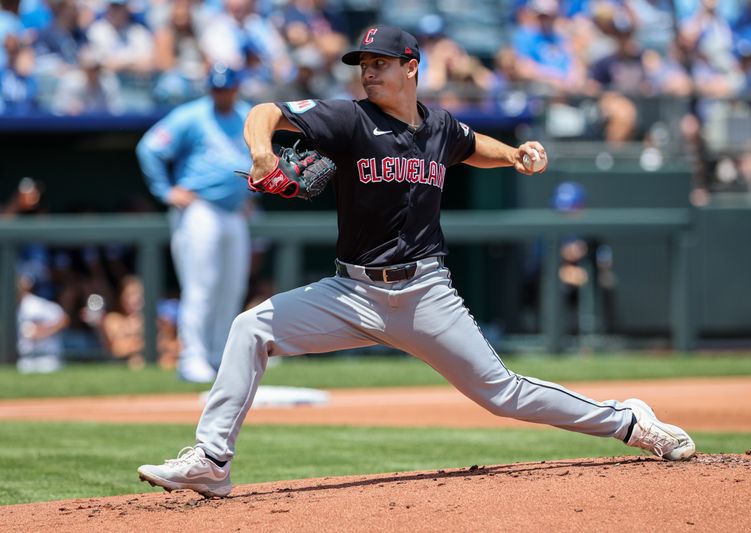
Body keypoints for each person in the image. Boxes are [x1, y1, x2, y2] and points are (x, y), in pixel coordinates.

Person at [138, 25, 695, 498]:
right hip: (351, 294)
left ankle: (628, 421)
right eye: (363, 64)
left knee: (501, 393)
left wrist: (517, 155)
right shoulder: (348, 120)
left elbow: (474, 146)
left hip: (425, 293)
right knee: (251, 326)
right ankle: (212, 461)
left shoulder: (438, 127)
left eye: (380, 63)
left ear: (411, 67)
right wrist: (262, 151)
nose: (368, 73)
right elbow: (265, 111)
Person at [136, 63, 252, 383]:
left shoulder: (247, 115)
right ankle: (192, 356)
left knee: (232, 286)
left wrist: (251, 196)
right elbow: (149, 147)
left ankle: (218, 355)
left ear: (236, 88)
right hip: (200, 208)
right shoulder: (192, 115)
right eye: (216, 88)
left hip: (234, 211)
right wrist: (165, 190)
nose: (221, 94)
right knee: (201, 286)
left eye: (226, 88)